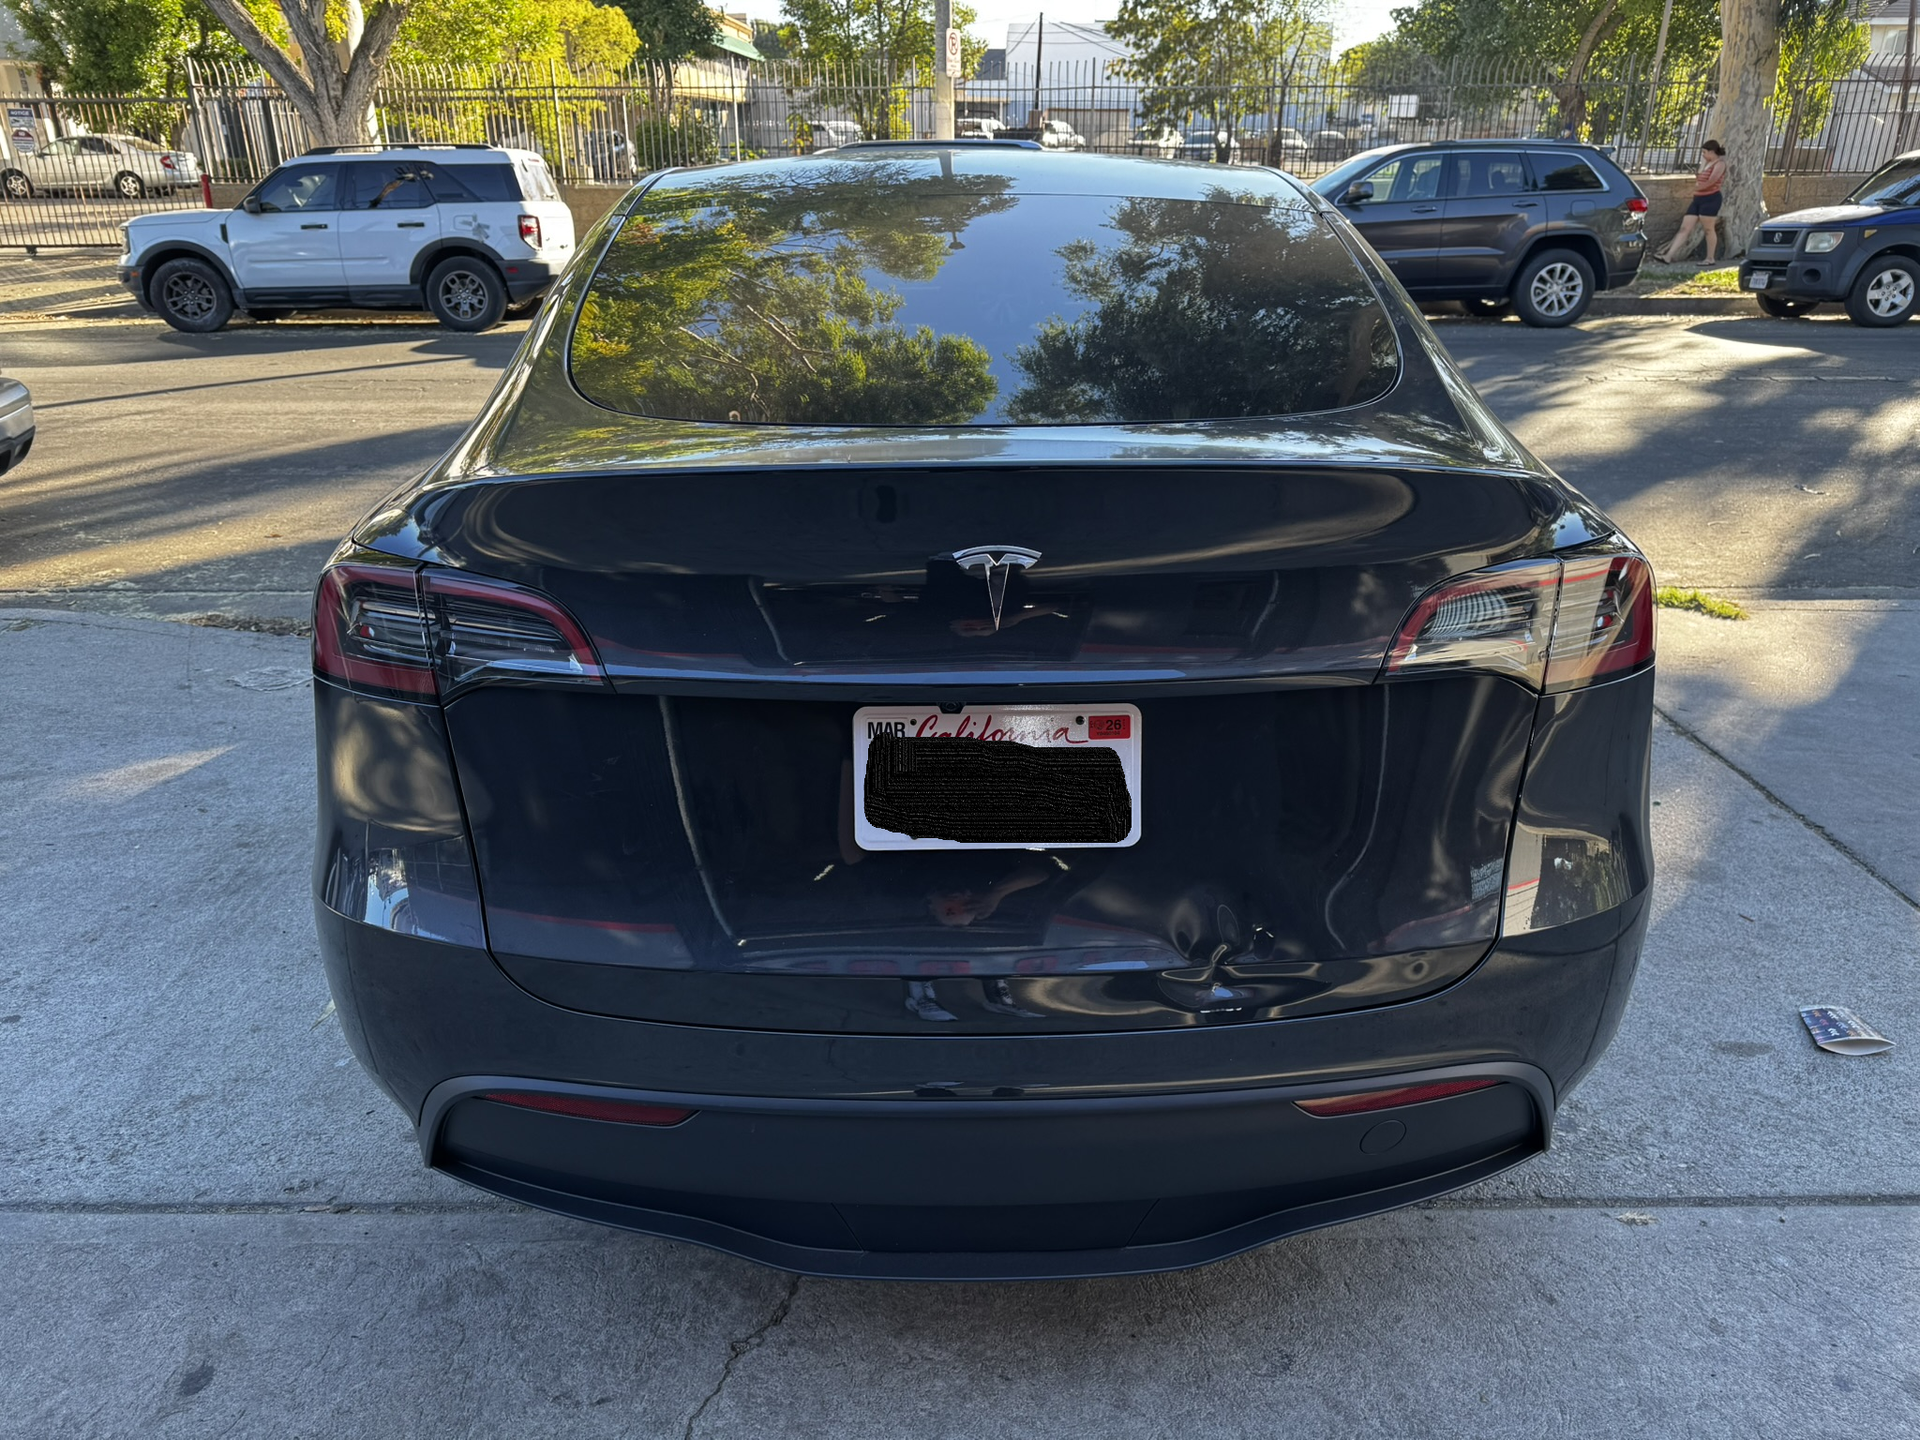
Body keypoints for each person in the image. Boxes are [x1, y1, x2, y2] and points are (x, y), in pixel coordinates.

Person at [1656, 140, 1728, 265]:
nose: (1703, 155)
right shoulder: (1706, 163)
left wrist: (1696, 188)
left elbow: (1712, 181)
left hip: (1711, 199)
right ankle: (1668, 256)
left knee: (1708, 229)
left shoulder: (1720, 164)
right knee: (1685, 228)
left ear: (1712, 152)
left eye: (1704, 152)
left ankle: (1710, 258)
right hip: (1697, 200)